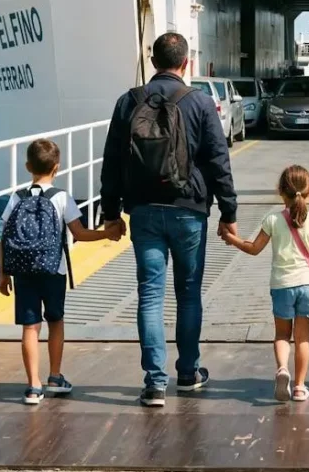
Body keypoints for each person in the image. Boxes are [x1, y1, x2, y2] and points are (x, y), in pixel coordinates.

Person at [100, 32, 238, 407]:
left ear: (153, 61)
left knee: (150, 295)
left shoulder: (128, 102)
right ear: (186, 63)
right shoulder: (200, 102)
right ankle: (189, 373)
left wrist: (110, 213)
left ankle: (154, 383)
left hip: (143, 209)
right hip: (189, 210)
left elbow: (112, 161)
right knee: (188, 294)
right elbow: (217, 161)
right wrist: (229, 212)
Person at [0, 139, 121, 405]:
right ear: (57, 168)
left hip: (23, 271)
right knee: (55, 322)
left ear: (28, 166)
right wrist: (107, 233)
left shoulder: (16, 197)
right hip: (54, 270)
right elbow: (79, 234)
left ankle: (33, 386)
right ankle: (55, 376)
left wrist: (4, 274)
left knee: (30, 328)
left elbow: (4, 239)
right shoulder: (61, 197)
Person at [221, 165, 309, 403]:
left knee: (282, 335)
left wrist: (232, 238)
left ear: (281, 192)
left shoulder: (272, 219)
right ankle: (300, 387)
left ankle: (282, 369)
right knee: (303, 338)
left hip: (281, 285)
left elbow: (253, 249)